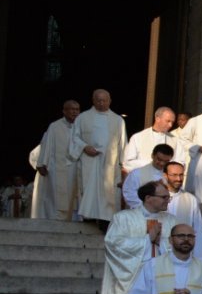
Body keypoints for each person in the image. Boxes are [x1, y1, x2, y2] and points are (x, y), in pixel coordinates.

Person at [69, 88, 126, 225]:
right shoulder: (83, 118)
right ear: (93, 101)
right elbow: (74, 138)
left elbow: (122, 143)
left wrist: (123, 165)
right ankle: (88, 219)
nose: (101, 103)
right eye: (98, 100)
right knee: (89, 190)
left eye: (104, 100)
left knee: (108, 192)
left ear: (110, 101)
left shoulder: (118, 120)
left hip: (110, 163)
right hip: (89, 161)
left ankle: (106, 222)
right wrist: (85, 147)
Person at [33, 99, 81, 220]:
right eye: (72, 109)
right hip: (58, 168)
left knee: (75, 197)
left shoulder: (82, 125)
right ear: (64, 111)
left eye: (77, 110)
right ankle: (56, 220)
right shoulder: (55, 126)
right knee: (57, 197)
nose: (75, 112)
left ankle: (75, 220)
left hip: (76, 168)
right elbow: (46, 144)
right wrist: (41, 163)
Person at [163, 161, 202, 264]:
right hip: (160, 254)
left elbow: (197, 229)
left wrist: (201, 259)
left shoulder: (190, 199)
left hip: (183, 253)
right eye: (174, 175)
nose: (178, 179)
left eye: (181, 175)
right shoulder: (156, 198)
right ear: (165, 175)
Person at [123, 106, 182, 174]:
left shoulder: (175, 140)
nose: (170, 125)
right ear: (157, 118)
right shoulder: (138, 137)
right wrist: (151, 163)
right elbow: (128, 162)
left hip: (164, 180)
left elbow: (180, 161)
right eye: (168, 121)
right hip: (143, 178)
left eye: (172, 122)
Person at [121, 144, 175, 209]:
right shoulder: (137, 174)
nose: (162, 163)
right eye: (159, 159)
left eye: (166, 161)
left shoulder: (172, 175)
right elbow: (129, 193)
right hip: (143, 214)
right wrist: (147, 207)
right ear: (152, 155)